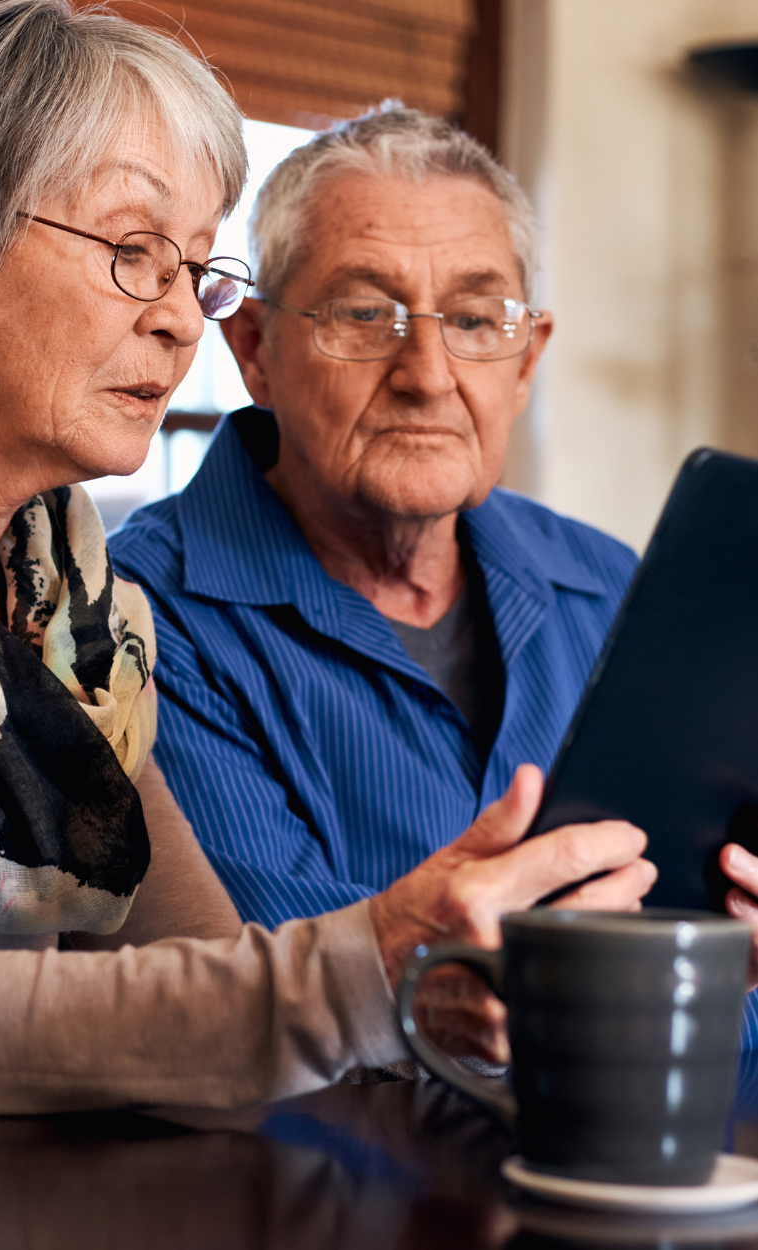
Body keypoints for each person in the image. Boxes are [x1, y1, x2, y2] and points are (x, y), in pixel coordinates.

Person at [0, 0, 666, 1119]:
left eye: (189, 266)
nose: (178, 320)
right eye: (131, 252)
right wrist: (364, 966)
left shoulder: (71, 611)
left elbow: (215, 1036)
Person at [108, 107, 758, 1045]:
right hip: (332, 1185)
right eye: (365, 313)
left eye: (475, 318)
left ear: (526, 358)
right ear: (254, 350)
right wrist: (671, 984)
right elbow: (282, 1010)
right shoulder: (137, 619)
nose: (427, 372)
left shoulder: (610, 585)